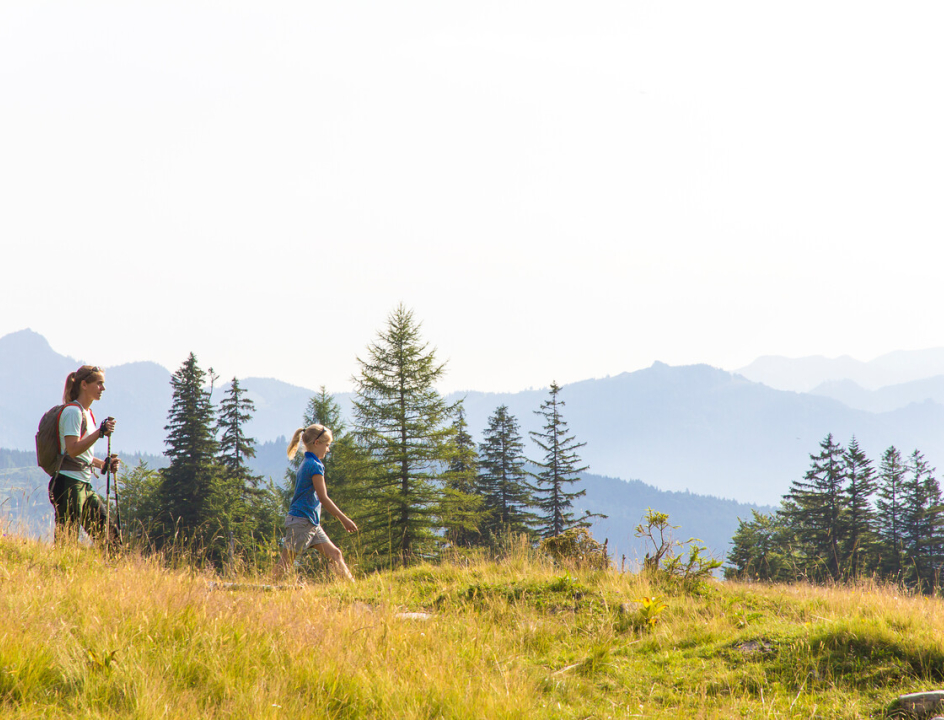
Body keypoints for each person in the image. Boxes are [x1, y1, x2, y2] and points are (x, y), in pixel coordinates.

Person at [274, 424, 357, 581]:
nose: (328, 449)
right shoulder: (314, 466)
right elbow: (323, 498)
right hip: (302, 521)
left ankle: (353, 589)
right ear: (317, 443)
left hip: (309, 521)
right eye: (327, 445)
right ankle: (264, 591)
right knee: (286, 562)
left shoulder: (307, 462)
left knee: (335, 554)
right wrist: (344, 519)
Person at [51, 365, 120, 544]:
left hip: (82, 483)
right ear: (84, 385)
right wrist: (100, 433)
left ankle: (114, 570)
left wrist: (103, 465)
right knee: (67, 542)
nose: (102, 389)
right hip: (68, 483)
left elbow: (81, 455)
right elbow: (72, 449)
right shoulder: (73, 412)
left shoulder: (88, 413)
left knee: (110, 539)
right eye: (99, 384)